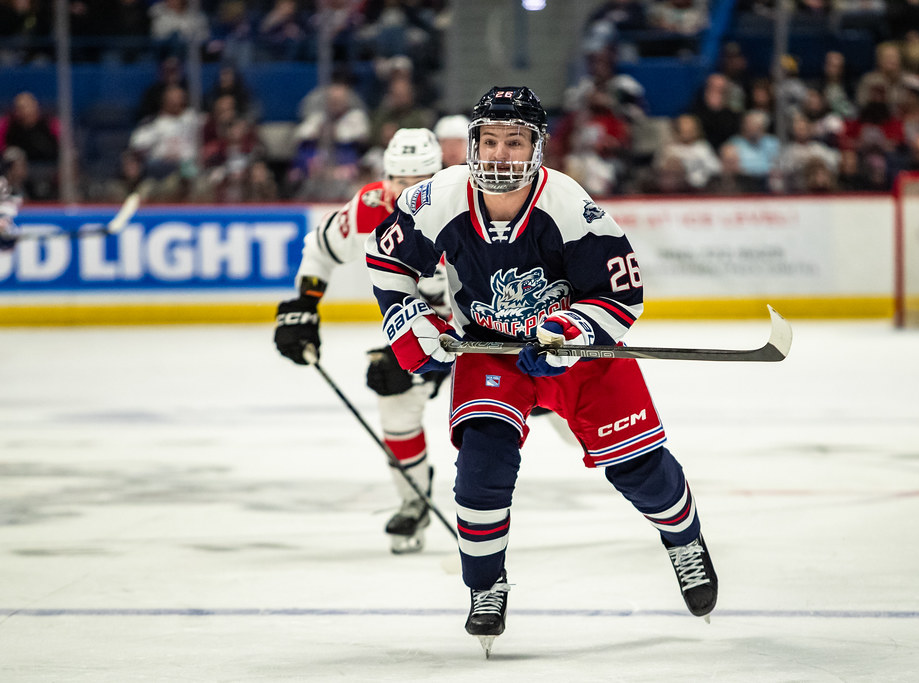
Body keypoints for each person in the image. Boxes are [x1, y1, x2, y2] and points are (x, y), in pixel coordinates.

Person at [364, 86, 717, 654]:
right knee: (481, 464)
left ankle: (684, 542)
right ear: (474, 144)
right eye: (490, 140)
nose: (501, 154)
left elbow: (621, 296)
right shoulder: (438, 198)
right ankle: (486, 586)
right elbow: (386, 259)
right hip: (489, 348)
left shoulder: (570, 207)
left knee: (641, 470)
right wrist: (409, 325)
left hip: (576, 352)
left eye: (515, 141)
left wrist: (574, 334)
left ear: (536, 147)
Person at [274, 128, 447, 554]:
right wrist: (303, 304)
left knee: (569, 419)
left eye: (419, 180)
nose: (407, 191)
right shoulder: (373, 207)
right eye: (399, 180)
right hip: (426, 327)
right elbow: (321, 248)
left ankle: (637, 479)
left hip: (486, 326)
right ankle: (413, 502)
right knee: (393, 388)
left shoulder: (464, 203)